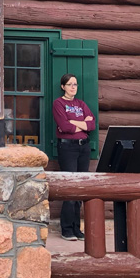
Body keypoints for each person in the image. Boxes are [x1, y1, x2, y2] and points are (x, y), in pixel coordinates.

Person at [52, 73, 93, 240]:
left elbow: (91, 125)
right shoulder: (58, 103)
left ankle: (77, 228)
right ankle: (67, 229)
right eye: (69, 84)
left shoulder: (81, 104)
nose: (73, 87)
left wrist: (73, 123)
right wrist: (80, 124)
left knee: (80, 188)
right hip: (68, 149)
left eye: (75, 84)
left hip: (84, 148)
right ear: (63, 87)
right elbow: (63, 126)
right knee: (70, 188)